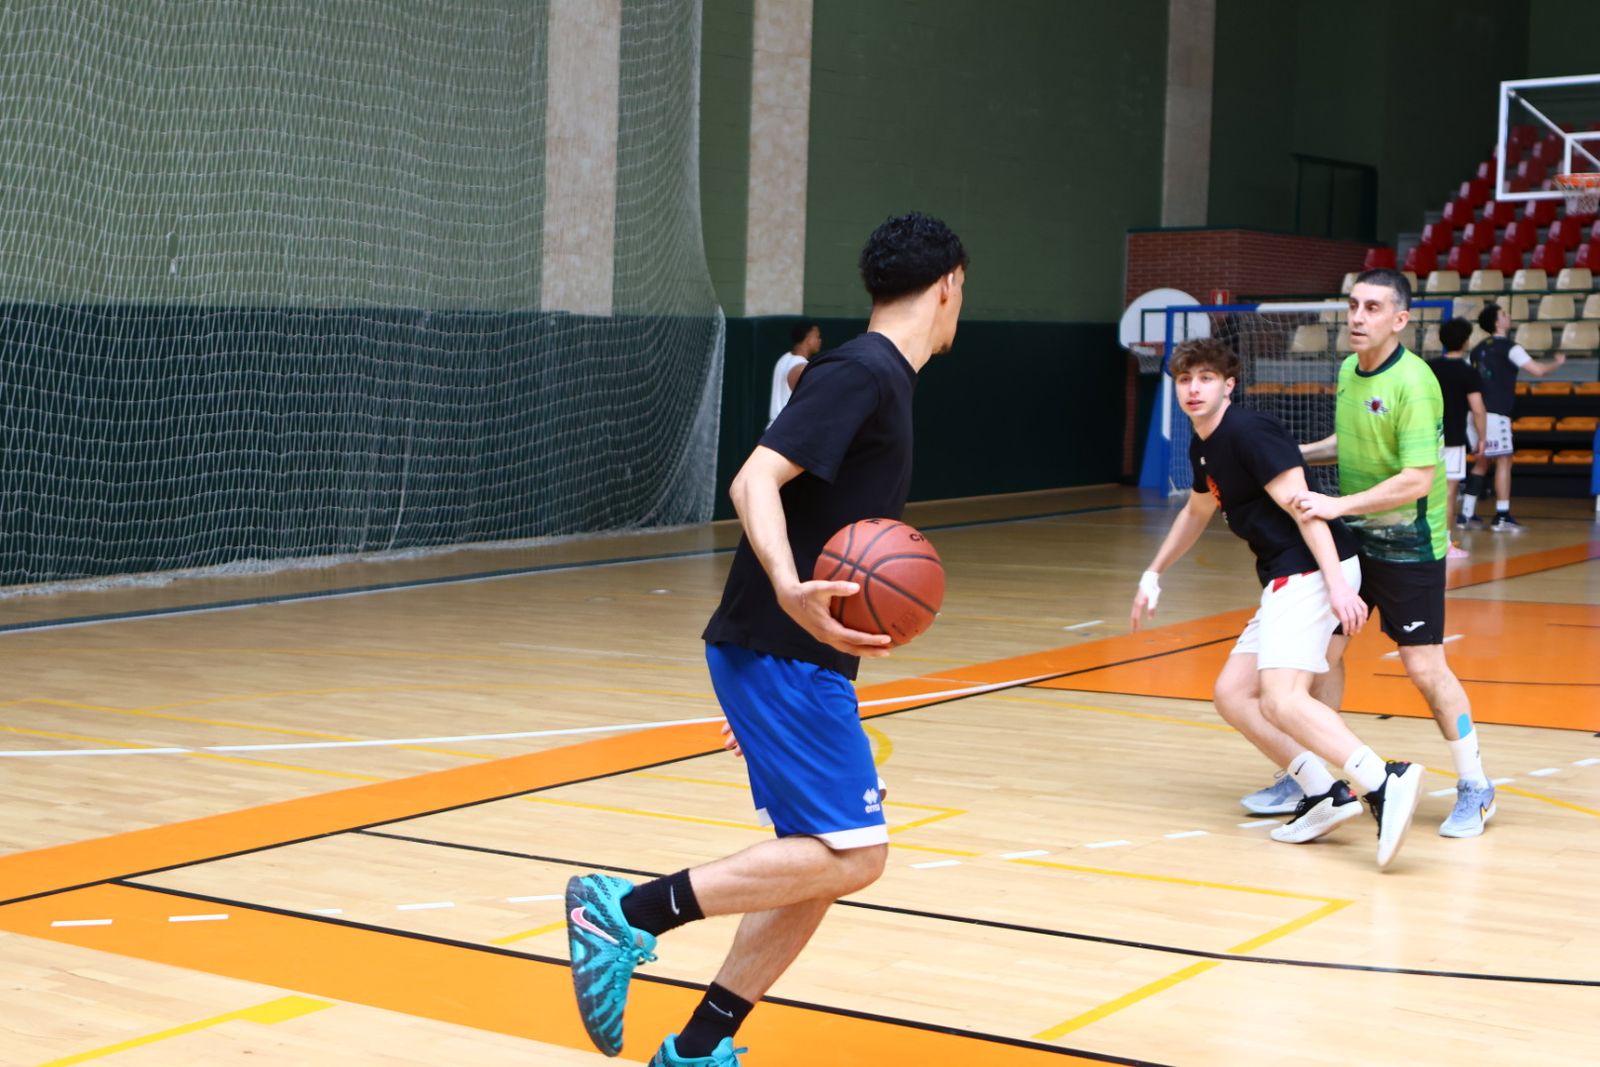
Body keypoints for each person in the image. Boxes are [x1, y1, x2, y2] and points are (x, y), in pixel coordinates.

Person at [564, 212, 967, 1067]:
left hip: (794, 660)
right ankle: (624, 912)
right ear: (950, 285)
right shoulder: (861, 370)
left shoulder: (885, 378)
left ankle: (700, 1044)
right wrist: (787, 592)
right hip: (782, 648)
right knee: (856, 856)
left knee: (815, 862)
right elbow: (756, 478)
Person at [1132, 338, 1422, 865]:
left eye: (1205, 378)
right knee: (1232, 694)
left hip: (1312, 568)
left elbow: (1307, 510)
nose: (1193, 389)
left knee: (1282, 698)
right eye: (1184, 380)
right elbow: (1197, 512)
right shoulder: (1204, 444)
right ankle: (1322, 793)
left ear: (1229, 385)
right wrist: (1154, 572)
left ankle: (1384, 780)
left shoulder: (1249, 432)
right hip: (1287, 575)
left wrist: (1336, 583)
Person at [1260, 268, 1497, 839]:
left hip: (1409, 546)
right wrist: (1294, 454)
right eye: (1353, 306)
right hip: (1354, 543)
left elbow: (1418, 477)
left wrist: (1337, 507)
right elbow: (1351, 440)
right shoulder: (1348, 370)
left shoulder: (1414, 384)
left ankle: (1476, 784)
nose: (1358, 318)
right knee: (1321, 654)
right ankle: (1319, 777)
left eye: (1372, 308)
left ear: (1400, 320)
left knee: (1424, 666)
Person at [1459, 302, 1567, 531]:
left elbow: (1465, 377)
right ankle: (1502, 516)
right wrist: (1557, 363)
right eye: (1504, 314)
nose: (1508, 317)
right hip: (1495, 414)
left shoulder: (1476, 349)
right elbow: (1537, 370)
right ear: (1498, 323)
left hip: (1474, 413)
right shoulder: (1510, 347)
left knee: (1481, 461)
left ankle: (1466, 514)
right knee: (1504, 461)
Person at [1427, 317, 1488, 556]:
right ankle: (1444, 544)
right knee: (1449, 492)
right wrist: (1482, 439)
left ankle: (1423, 542)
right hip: (1452, 440)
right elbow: (1478, 409)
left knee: (1422, 490)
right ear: (1465, 341)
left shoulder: (1428, 366)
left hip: (1425, 437)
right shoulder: (1467, 371)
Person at [768, 320, 822, 426]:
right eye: (817, 336)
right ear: (809, 338)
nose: (820, 340)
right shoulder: (802, 368)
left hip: (775, 430)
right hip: (788, 431)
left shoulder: (783, 359)